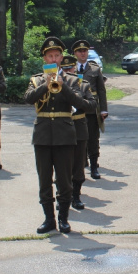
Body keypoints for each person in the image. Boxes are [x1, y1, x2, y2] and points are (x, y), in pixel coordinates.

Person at [25, 37, 96, 234]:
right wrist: (44, 85)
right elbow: (28, 98)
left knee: (65, 180)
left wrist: (62, 85)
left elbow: (86, 104)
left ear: (61, 57)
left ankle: (63, 218)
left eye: (57, 55)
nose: (54, 59)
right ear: (44, 58)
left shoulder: (73, 80)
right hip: (42, 136)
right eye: (50, 56)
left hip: (65, 135)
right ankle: (49, 219)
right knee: (44, 179)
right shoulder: (36, 79)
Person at [61, 54, 97, 211]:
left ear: (75, 68)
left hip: (80, 127)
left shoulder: (84, 85)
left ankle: (76, 196)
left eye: (71, 68)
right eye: (66, 68)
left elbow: (92, 104)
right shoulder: (57, 85)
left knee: (78, 165)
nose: (69, 71)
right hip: (62, 128)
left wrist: (78, 102)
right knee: (62, 165)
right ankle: (61, 196)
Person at [72, 39, 108, 179]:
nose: (83, 53)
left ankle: (94, 167)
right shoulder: (70, 69)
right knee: (78, 139)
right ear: (75, 53)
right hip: (76, 109)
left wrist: (103, 109)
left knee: (93, 139)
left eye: (85, 51)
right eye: (80, 51)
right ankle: (79, 166)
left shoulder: (94, 69)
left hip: (92, 109)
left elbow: (101, 90)